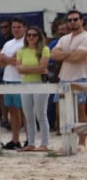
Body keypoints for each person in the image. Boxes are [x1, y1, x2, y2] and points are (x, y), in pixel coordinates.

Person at [51, 10, 87, 139]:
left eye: (75, 19)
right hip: (64, 78)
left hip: (80, 77)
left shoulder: (85, 37)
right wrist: (70, 53)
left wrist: (63, 54)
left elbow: (77, 58)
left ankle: (82, 142)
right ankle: (67, 141)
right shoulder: (64, 38)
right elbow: (53, 55)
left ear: (81, 21)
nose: (72, 22)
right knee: (62, 112)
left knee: (80, 111)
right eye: (69, 20)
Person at [15, 24, 52, 151]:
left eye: (34, 35)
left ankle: (44, 144)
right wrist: (35, 69)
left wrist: (25, 69)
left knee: (41, 114)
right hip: (25, 84)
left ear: (39, 37)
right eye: (29, 35)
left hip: (40, 83)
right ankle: (31, 143)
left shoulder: (44, 49)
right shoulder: (21, 50)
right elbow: (19, 69)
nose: (31, 37)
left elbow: (43, 67)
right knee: (28, 116)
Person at [0, 17, 27, 150]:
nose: (16, 29)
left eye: (19, 27)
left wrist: (5, 58)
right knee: (12, 110)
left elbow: (19, 62)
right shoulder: (8, 43)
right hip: (8, 78)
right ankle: (15, 139)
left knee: (25, 111)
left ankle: (29, 139)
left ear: (24, 28)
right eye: (14, 27)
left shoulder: (26, 42)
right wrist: (8, 59)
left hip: (21, 80)